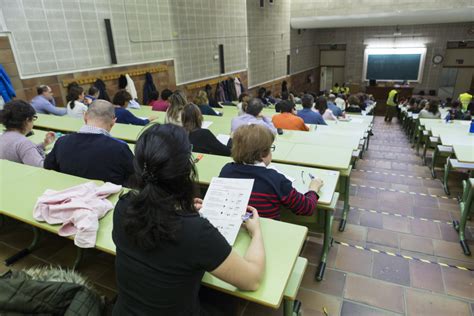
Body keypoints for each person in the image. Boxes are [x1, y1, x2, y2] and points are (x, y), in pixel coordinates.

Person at [112, 123, 265, 315]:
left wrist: (179, 207)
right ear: (187, 168)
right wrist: (256, 232)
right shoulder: (195, 231)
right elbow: (252, 280)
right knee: (225, 299)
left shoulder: (123, 206)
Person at [220, 124, 323, 219]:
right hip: (264, 232)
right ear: (263, 153)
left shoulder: (226, 170)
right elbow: (307, 208)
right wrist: (313, 189)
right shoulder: (276, 180)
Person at [44, 100, 134, 186]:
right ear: (113, 121)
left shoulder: (61, 142)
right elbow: (136, 176)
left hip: (70, 197)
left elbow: (47, 166)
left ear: (85, 116)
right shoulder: (120, 148)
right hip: (108, 199)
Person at [0, 100, 55, 167]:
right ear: (27, 120)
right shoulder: (23, 143)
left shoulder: (3, 137)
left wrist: (44, 144)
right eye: (33, 118)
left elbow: (25, 152)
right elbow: (42, 167)